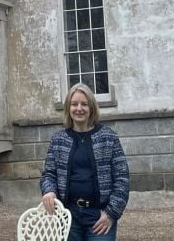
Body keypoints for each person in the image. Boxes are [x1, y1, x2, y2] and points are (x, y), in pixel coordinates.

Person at [40, 83, 129, 241]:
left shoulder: (109, 138)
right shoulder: (58, 139)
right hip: (67, 216)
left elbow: (122, 179)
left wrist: (112, 213)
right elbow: (49, 174)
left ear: (91, 108)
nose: (79, 108)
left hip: (99, 216)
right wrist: (49, 190)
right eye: (74, 104)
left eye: (84, 104)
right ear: (68, 108)